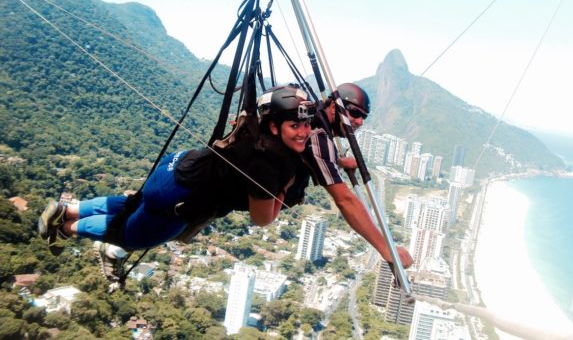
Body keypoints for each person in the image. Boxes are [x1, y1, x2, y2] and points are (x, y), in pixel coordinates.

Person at [38, 84, 315, 280]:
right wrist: (283, 189)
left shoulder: (255, 131)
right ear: (275, 127)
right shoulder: (266, 166)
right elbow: (262, 219)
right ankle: (66, 228)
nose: (304, 132)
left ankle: (66, 208)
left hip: (177, 166)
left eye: (306, 124)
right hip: (179, 197)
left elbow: (322, 117)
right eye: (295, 126)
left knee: (134, 204)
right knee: (128, 235)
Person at [303, 83, 413, 270]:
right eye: (354, 113)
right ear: (332, 107)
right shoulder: (318, 135)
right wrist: (387, 249)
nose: (360, 122)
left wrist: (337, 160)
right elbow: (345, 200)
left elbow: (314, 155)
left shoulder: (318, 125)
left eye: (363, 117)